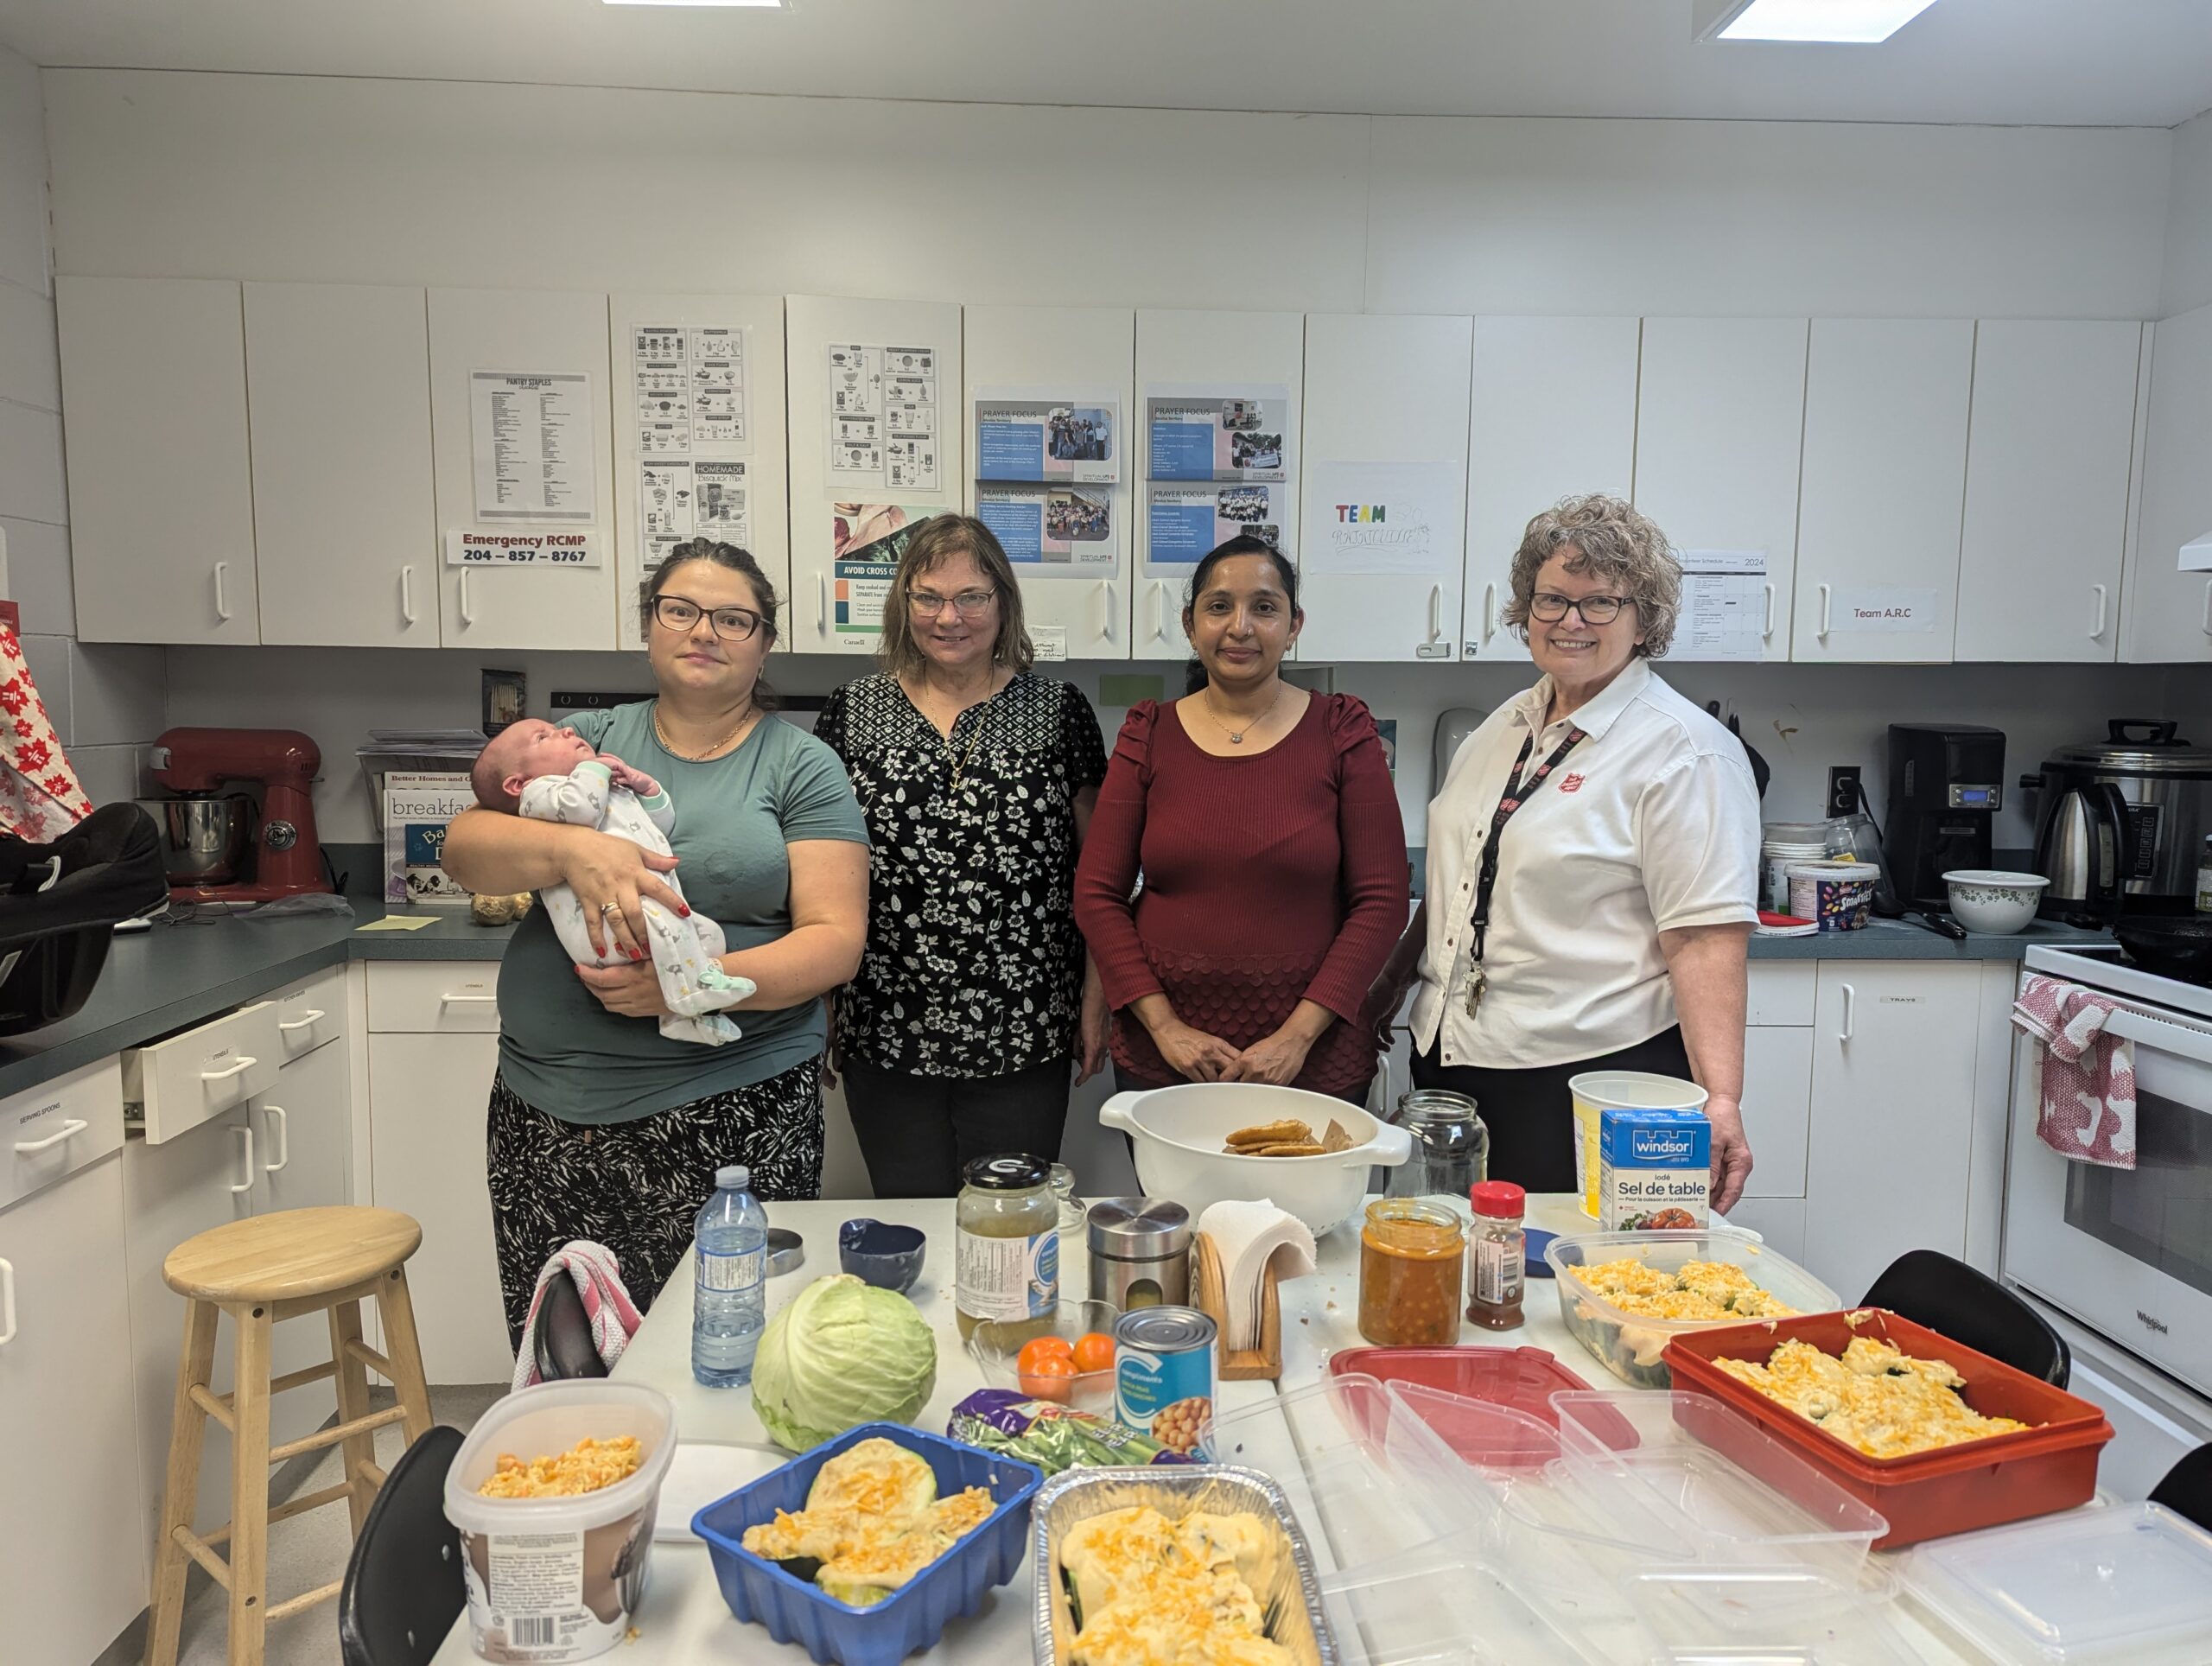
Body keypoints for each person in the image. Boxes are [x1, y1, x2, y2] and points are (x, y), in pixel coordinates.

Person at [441, 538, 869, 1346]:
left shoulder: (801, 764)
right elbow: (464, 849)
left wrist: (687, 980)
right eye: (682, 610)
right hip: (548, 1111)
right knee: (568, 1358)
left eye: (733, 618)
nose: (704, 631)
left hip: (734, 1115)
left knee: (726, 1350)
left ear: (765, 642)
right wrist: (575, 851)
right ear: (650, 626)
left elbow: (834, 942)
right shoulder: (580, 743)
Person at [1369, 494, 1761, 1208]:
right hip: (1454, 1067)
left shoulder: (1685, 752)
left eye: (1600, 603)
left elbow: (1704, 939)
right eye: (1551, 599)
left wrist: (1722, 1100)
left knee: (1555, 1287)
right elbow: (1462, 886)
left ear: (1646, 619)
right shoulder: (1504, 725)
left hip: (1584, 1080)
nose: (1570, 621)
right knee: (1461, 1279)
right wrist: (1387, 993)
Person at [813, 514, 1109, 1196]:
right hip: (883, 1023)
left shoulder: (1058, 712)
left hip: (1025, 1025)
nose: (950, 617)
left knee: (1010, 1225)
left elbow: (1100, 875)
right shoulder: (853, 712)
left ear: (1002, 603)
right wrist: (818, 996)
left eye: (972, 596)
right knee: (909, 1212)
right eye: (928, 597)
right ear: (903, 605)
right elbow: (818, 870)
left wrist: (1098, 994)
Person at [1073, 536, 1408, 1102]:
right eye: (1219, 606)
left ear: (1295, 624)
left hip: (1315, 1061)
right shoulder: (1149, 734)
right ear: (1190, 622)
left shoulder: (1342, 732)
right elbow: (1097, 893)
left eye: (1265, 607)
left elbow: (1382, 900)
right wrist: (1165, 1028)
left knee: (1310, 1196)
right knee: (1175, 1197)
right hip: (1168, 1061)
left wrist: (1297, 1038)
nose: (1241, 627)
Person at [468, 719, 754, 1046]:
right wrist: (596, 768)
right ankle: (690, 996)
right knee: (668, 930)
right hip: (607, 925)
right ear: (517, 783)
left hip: (647, 906)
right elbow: (580, 810)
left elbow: (659, 828)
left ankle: (682, 1015)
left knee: (709, 936)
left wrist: (647, 790)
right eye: (543, 737)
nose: (567, 731)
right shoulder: (539, 795)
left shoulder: (600, 787)